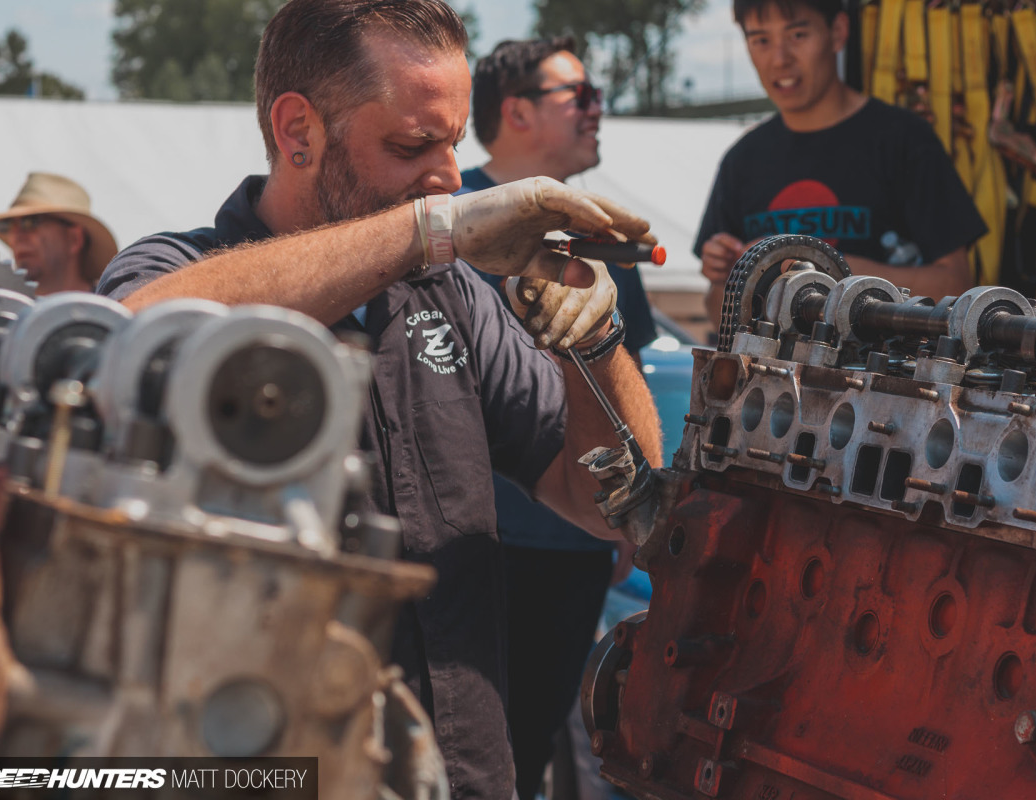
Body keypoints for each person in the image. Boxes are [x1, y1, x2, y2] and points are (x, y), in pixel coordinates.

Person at [94, 2, 661, 799]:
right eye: (411, 146)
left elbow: (611, 505)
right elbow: (131, 334)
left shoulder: (451, 296)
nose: (451, 179)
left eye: (453, 143)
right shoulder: (177, 267)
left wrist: (594, 341)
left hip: (464, 774)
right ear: (298, 132)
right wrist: (429, 231)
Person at [460, 37, 657, 800]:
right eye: (579, 95)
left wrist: (627, 518)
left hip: (570, 545)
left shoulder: (600, 231)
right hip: (471, 541)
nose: (597, 108)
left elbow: (627, 374)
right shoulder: (444, 217)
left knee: (526, 748)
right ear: (517, 112)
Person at [697, 0, 987, 328]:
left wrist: (821, 267)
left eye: (797, 35)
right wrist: (728, 276)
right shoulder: (741, 160)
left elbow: (958, 288)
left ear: (837, 32)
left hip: (878, 361)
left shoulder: (904, 140)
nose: (779, 59)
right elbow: (718, 316)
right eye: (761, 40)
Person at [0, 172, 119, 294]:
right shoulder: (0, 311)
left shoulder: (114, 310)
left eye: (29, 222)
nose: (15, 236)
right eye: (6, 225)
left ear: (74, 238)